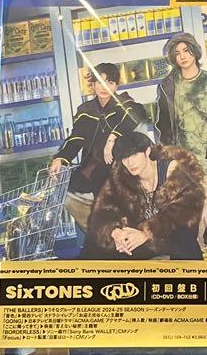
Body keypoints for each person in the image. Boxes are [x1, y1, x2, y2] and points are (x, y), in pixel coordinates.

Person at [47, 62, 149, 235]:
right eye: (100, 82)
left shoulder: (125, 104)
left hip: (121, 167)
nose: (104, 87)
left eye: (110, 82)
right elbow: (75, 140)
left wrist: (112, 137)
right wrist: (60, 158)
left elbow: (138, 113)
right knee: (66, 187)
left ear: (116, 86)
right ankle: (102, 234)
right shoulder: (85, 111)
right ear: (93, 85)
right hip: (93, 169)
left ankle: (116, 234)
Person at [86, 131, 205, 260]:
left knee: (184, 239)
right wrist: (115, 232)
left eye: (134, 155)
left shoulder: (172, 170)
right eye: (125, 158)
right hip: (139, 236)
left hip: (170, 235)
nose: (130, 163)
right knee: (96, 249)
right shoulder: (121, 176)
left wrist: (147, 233)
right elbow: (103, 211)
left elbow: (188, 208)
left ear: (147, 151)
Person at [154, 33, 207, 175]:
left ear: (194, 51)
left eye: (186, 50)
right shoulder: (168, 86)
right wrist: (169, 160)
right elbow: (162, 128)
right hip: (182, 163)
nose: (182, 56)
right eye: (177, 53)